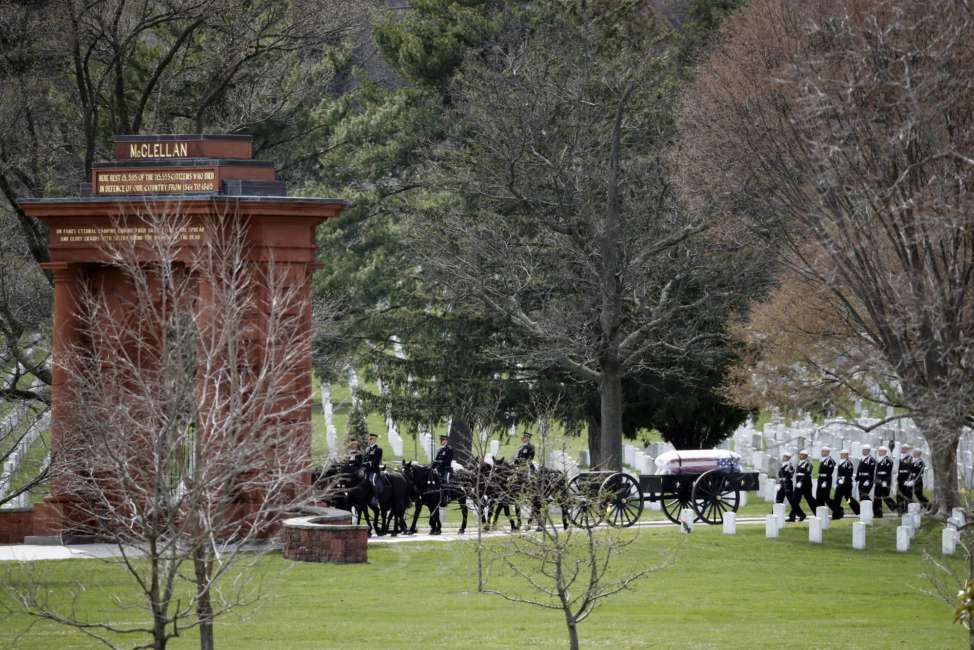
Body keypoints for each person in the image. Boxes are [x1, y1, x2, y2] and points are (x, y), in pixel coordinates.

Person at [776, 451, 803, 521]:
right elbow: (780, 475)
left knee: (792, 502)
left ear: (788, 458)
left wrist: (788, 470)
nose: (784, 458)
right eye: (784, 456)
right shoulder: (783, 465)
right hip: (782, 484)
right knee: (778, 500)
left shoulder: (790, 466)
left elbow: (791, 474)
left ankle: (800, 515)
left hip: (787, 485)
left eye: (785, 457)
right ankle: (774, 515)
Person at [832, 449, 857, 519]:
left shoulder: (848, 463)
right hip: (840, 484)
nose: (841, 455)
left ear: (846, 455)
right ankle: (836, 515)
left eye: (843, 454)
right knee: (836, 499)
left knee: (848, 499)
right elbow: (839, 474)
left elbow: (849, 474)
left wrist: (843, 480)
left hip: (847, 485)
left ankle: (858, 511)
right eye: (841, 454)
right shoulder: (840, 462)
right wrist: (837, 482)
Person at [873, 446, 895, 517]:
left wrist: (885, 481)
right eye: (879, 451)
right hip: (878, 481)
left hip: (884, 481)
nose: (879, 452)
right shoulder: (879, 460)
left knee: (885, 496)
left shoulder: (888, 460)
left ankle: (896, 508)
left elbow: (888, 472)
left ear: (885, 452)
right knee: (877, 497)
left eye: (880, 451)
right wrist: (876, 479)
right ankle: (877, 513)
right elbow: (877, 471)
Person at [794, 449, 815, 518]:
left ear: (806, 456)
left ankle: (818, 512)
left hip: (806, 485)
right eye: (800, 455)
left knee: (810, 500)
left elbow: (807, 474)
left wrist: (800, 482)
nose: (801, 456)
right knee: (794, 500)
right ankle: (801, 515)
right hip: (799, 485)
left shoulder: (808, 464)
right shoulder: (799, 463)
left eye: (803, 455)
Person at [364, 432, 385, 498]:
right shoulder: (367, 449)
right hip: (367, 470)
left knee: (372, 481)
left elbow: (376, 461)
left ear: (375, 440)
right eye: (368, 439)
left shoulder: (378, 449)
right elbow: (365, 459)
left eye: (371, 439)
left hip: (374, 470)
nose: (369, 440)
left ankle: (376, 497)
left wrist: (370, 463)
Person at [856, 444, 876, 512]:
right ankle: (864, 510)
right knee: (861, 495)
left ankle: (873, 508)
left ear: (868, 451)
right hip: (861, 479)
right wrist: (857, 477)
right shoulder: (862, 458)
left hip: (867, 480)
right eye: (863, 450)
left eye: (865, 450)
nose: (863, 451)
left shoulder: (871, 460)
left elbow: (871, 471)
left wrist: (868, 480)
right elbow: (859, 469)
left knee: (864, 495)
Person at [817, 446, 835, 512]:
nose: (822, 452)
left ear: (828, 452)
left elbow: (830, 471)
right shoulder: (822, 459)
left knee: (826, 498)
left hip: (826, 480)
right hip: (820, 479)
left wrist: (825, 481)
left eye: (824, 451)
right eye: (822, 451)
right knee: (819, 496)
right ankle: (821, 512)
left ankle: (838, 510)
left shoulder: (830, 460)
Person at [896, 444, 913, 514]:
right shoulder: (901, 458)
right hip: (900, 479)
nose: (902, 450)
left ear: (908, 450)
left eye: (904, 449)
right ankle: (900, 510)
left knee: (907, 495)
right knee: (899, 495)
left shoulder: (911, 458)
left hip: (907, 479)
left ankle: (907, 509)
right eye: (902, 448)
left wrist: (910, 479)